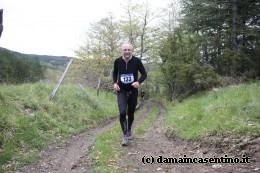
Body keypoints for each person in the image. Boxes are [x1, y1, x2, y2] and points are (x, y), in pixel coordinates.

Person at [113, 42, 147, 146]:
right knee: (122, 112)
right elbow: (114, 73)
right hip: (121, 91)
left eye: (129, 50)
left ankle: (129, 129)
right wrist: (114, 83)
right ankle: (125, 136)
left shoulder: (137, 61)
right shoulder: (117, 61)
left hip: (133, 91)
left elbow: (144, 74)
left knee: (131, 112)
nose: (127, 52)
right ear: (122, 51)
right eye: (125, 50)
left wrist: (138, 82)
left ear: (132, 51)